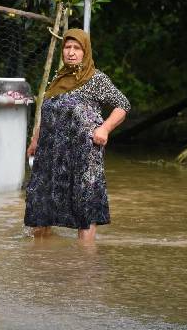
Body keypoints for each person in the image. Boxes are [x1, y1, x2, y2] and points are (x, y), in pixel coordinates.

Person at [24, 28, 131, 242]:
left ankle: (84, 257)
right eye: (67, 47)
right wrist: (35, 140)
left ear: (85, 51)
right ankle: (40, 257)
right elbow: (47, 113)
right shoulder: (58, 78)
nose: (71, 52)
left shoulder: (95, 79)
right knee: (41, 204)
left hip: (83, 154)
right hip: (51, 153)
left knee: (85, 205)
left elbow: (123, 105)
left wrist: (105, 128)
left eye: (77, 48)